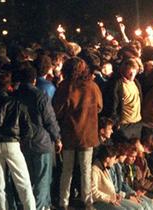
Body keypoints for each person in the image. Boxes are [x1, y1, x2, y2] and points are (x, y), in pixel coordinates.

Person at [54, 57, 103, 209]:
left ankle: (64, 201)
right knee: (85, 170)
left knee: (67, 170)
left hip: (69, 133)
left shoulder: (65, 86)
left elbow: (57, 110)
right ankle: (87, 202)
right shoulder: (92, 86)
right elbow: (100, 107)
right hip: (87, 134)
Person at [14, 65, 62, 210]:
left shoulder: (15, 96)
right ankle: (41, 207)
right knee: (42, 180)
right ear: (34, 79)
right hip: (41, 142)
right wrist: (57, 138)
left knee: (27, 180)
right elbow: (49, 120)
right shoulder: (40, 96)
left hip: (22, 142)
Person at [0, 71, 36, 210]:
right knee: (23, 183)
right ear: (9, 86)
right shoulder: (17, 104)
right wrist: (20, 140)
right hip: (13, 144)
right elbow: (28, 130)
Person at [92, 145, 145, 210]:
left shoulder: (105, 168)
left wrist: (115, 195)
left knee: (138, 207)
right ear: (107, 159)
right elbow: (93, 192)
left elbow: (111, 188)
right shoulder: (95, 170)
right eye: (114, 158)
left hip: (112, 198)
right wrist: (109, 198)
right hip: (99, 201)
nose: (114, 161)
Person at [102, 58, 144, 141]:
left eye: (134, 72)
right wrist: (115, 122)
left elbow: (140, 100)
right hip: (124, 125)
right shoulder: (116, 84)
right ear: (124, 71)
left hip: (137, 123)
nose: (132, 75)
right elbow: (113, 104)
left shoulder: (136, 83)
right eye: (130, 72)